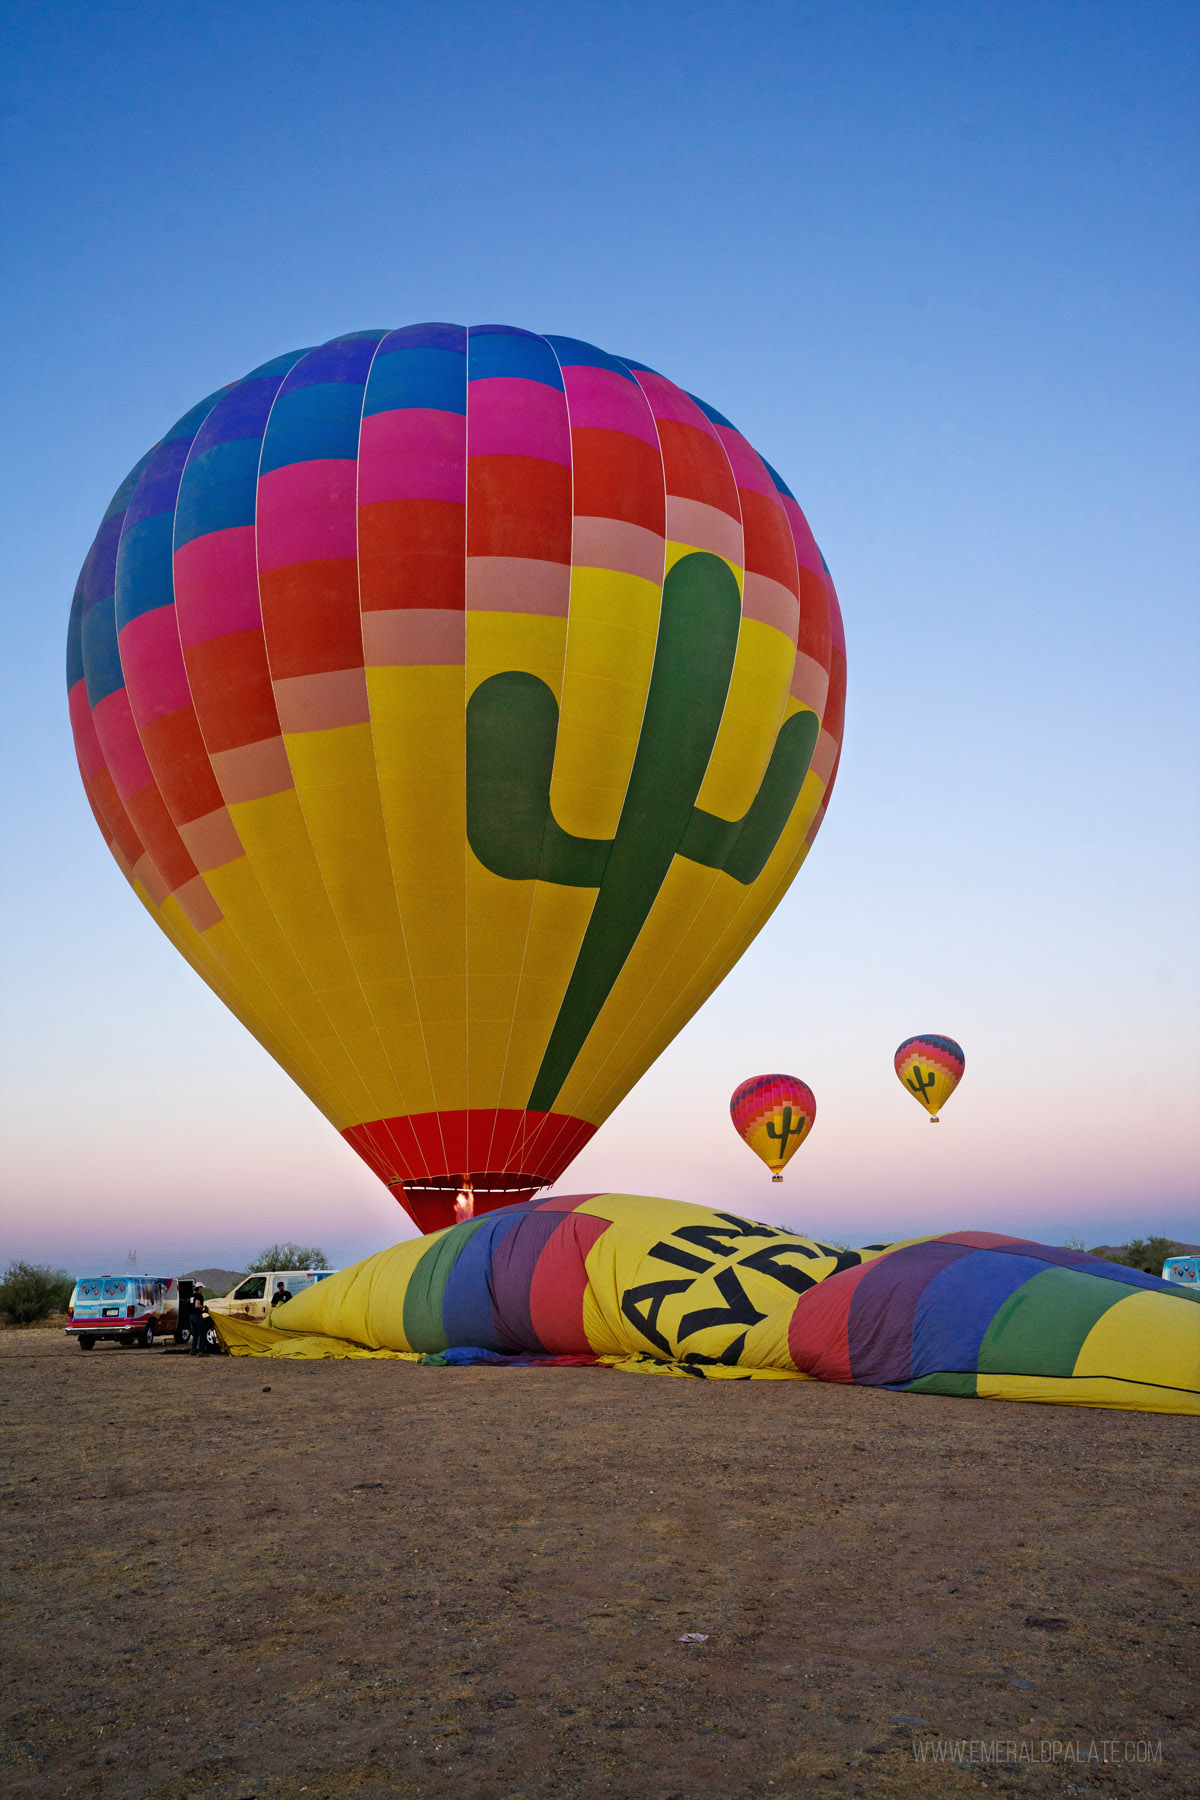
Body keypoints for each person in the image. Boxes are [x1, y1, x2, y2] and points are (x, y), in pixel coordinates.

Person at [189, 1285, 208, 1354]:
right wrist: (204, 1307)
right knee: (202, 1333)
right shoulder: (199, 1296)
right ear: (199, 1288)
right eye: (202, 1288)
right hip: (197, 1317)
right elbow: (197, 1305)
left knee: (195, 1334)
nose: (202, 1289)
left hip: (191, 1317)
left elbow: (192, 1306)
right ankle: (201, 1351)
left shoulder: (192, 1296)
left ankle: (193, 1350)